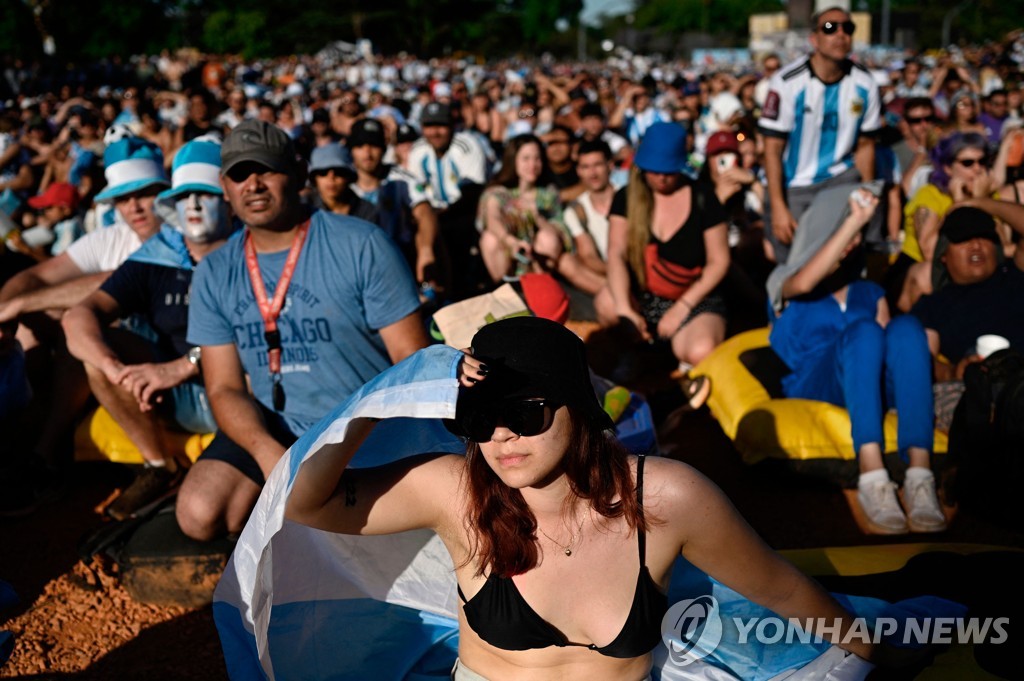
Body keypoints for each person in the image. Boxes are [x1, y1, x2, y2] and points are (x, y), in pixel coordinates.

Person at [284, 316, 878, 680]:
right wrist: (401, 383)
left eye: (524, 412)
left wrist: (866, 651)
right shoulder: (457, 492)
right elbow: (306, 502)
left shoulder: (667, 497)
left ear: (579, 409)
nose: (502, 435)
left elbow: (780, 588)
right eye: (482, 418)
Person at [178, 120, 428, 541]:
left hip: (357, 425)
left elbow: (412, 359)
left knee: (346, 530)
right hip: (274, 427)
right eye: (240, 174)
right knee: (199, 513)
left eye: (266, 169)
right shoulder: (215, 272)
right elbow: (222, 387)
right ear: (225, 187)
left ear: (295, 175)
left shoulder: (361, 243)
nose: (253, 184)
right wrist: (267, 453)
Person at [61, 139, 232, 520]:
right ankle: (159, 468)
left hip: (238, 390)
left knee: (208, 514)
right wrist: (114, 370)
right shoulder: (160, 254)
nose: (194, 205)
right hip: (171, 394)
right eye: (184, 195)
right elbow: (79, 316)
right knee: (98, 350)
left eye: (205, 193)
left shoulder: (253, 251)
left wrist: (183, 365)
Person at [0, 137, 169, 515]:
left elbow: (121, 281)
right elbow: (34, 278)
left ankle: (45, 459)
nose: (134, 206)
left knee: (78, 328)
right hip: (116, 368)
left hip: (167, 369)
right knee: (33, 327)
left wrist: (21, 303)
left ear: (166, 191)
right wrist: (5, 312)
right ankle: (23, 440)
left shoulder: (181, 236)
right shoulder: (113, 237)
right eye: (124, 198)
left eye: (146, 193)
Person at [767, 187, 946, 535]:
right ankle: (872, 472)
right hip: (817, 380)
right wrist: (854, 219)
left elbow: (887, 351)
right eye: (841, 231)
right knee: (863, 331)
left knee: (906, 326)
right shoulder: (784, 279)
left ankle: (919, 474)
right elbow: (805, 281)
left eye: (856, 235)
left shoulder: (870, 291)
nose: (850, 242)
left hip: (866, 383)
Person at [597, 122, 729, 381]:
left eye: (668, 171)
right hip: (646, 295)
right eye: (654, 171)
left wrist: (682, 307)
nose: (662, 178)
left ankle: (681, 367)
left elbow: (719, 261)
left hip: (694, 296)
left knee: (700, 349)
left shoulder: (703, 197)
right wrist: (626, 310)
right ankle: (633, 352)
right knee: (607, 302)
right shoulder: (627, 197)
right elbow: (616, 254)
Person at [759, 5, 880, 264]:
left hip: (840, 179)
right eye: (829, 28)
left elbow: (866, 145)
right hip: (794, 185)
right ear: (814, 38)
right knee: (793, 266)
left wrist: (867, 193)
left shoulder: (865, 83)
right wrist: (779, 208)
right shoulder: (786, 83)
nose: (840, 34)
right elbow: (772, 149)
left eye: (847, 28)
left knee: (844, 262)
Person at [911, 202, 1024, 381]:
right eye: (963, 238)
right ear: (944, 255)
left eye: (984, 236)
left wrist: (979, 202)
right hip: (980, 388)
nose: (976, 245)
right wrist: (953, 371)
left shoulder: (1015, 272)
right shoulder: (932, 305)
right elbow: (922, 360)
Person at [891, 132, 995, 312]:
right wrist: (959, 205)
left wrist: (981, 201)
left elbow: (1004, 247)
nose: (978, 169)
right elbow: (931, 252)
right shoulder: (930, 195)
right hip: (919, 275)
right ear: (948, 167)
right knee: (926, 273)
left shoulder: (989, 195)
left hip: (974, 272)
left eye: (982, 161)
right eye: (968, 163)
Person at [407, 101, 491, 298]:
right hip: (431, 213)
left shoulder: (466, 145)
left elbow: (472, 192)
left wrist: (441, 215)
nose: (435, 132)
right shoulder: (418, 150)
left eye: (441, 126)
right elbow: (415, 189)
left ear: (452, 126)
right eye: (429, 126)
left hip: (462, 213)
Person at [347, 117, 441, 291]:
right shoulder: (344, 183)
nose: (367, 153)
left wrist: (426, 250)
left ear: (383, 149)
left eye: (373, 146)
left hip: (398, 261)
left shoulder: (400, 178)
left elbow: (424, 211)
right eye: (360, 146)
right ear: (352, 150)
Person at [562, 139, 615, 293]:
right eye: (585, 167)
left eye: (598, 165)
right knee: (567, 263)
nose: (592, 173)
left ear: (610, 166)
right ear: (578, 171)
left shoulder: (630, 198)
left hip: (638, 269)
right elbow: (588, 256)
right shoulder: (575, 210)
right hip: (607, 274)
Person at [307, 142, 376, 220]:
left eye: (339, 172)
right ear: (314, 178)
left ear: (348, 176)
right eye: (323, 172)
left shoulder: (366, 211)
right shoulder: (303, 208)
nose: (331, 177)